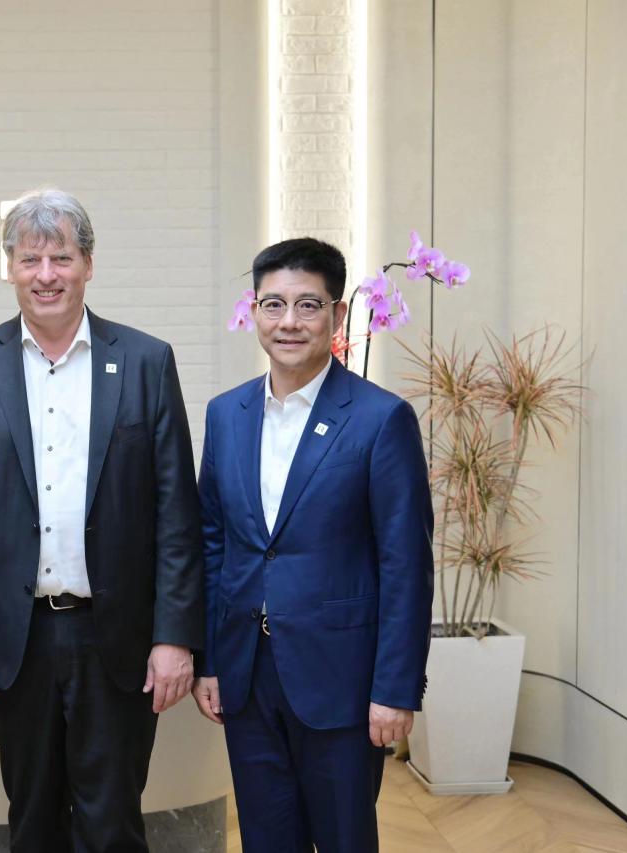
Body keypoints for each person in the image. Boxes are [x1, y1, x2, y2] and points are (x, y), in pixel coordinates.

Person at [0, 189, 203, 852]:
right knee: (33, 818)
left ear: (88, 265)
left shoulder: (146, 361)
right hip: (12, 644)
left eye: (61, 258)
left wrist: (175, 636)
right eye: (30, 259)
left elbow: (176, 513)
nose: (45, 274)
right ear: (10, 269)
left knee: (114, 823)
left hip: (118, 639)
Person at [192, 237, 433, 851]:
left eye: (308, 305)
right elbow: (214, 545)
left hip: (341, 680)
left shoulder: (380, 418)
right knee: (266, 838)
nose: (289, 322)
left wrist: (394, 690)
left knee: (345, 838)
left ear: (337, 314)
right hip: (247, 675)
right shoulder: (226, 415)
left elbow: (405, 565)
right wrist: (210, 661)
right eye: (273, 305)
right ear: (254, 312)